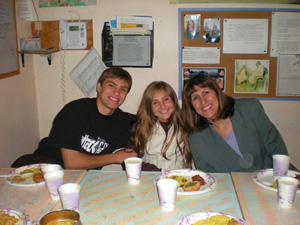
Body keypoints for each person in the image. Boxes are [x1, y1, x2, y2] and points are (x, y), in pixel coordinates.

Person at [12, 67, 137, 169]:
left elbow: (150, 120)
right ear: (99, 87)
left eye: (123, 89)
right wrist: (114, 157)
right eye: (111, 85)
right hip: (42, 167)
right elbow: (71, 164)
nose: (116, 92)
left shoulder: (124, 121)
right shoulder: (75, 111)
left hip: (78, 178)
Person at [181, 73, 290, 173]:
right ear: (192, 106)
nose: (203, 101)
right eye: (196, 97)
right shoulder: (196, 138)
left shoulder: (249, 109)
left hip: (270, 178)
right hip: (231, 189)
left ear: (217, 92)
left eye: (206, 92)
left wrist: (280, 182)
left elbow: (276, 148)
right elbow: (208, 174)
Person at [127, 81, 192, 171]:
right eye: (155, 103)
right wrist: (154, 171)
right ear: (148, 107)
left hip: (180, 178)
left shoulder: (186, 125)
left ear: (173, 100)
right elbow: (129, 160)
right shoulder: (140, 128)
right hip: (150, 178)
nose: (162, 106)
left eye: (166, 99)